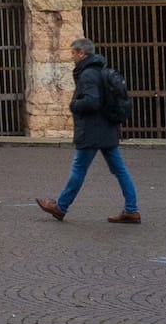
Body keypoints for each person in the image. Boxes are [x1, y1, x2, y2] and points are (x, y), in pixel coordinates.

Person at [37, 37, 139, 223]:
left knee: (78, 169)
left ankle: (61, 207)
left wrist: (74, 104)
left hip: (92, 131)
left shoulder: (88, 74)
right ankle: (132, 210)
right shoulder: (101, 70)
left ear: (82, 53)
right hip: (107, 129)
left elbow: (92, 101)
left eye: (73, 53)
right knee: (120, 170)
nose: (72, 57)